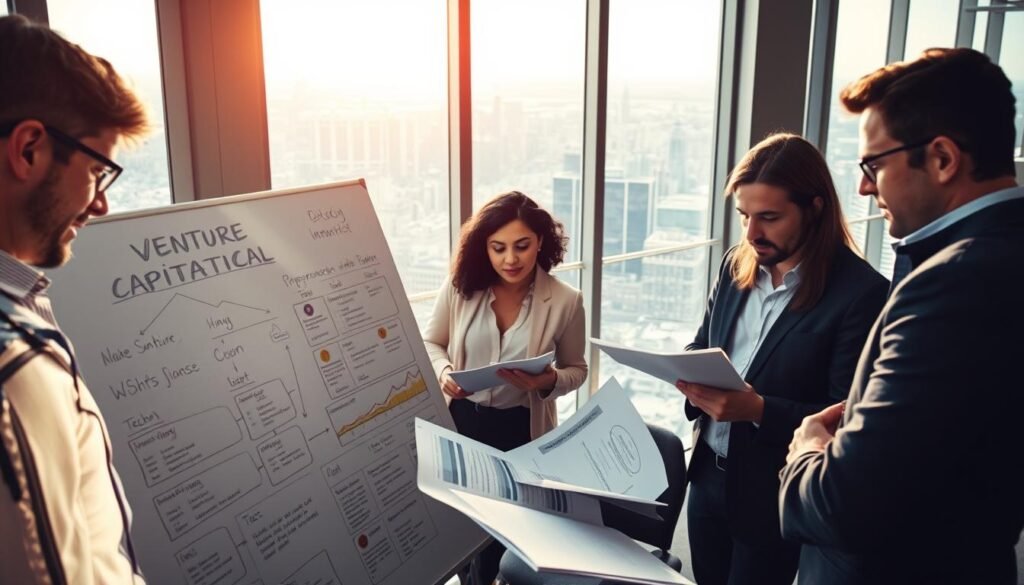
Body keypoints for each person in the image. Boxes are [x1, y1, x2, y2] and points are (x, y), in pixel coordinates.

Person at [779, 48, 1024, 584]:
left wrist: (809, 450)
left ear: (942, 159)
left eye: (874, 165)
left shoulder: (954, 284)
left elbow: (841, 507)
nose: (865, 187)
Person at [677, 133, 888, 585]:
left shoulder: (860, 294)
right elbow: (703, 343)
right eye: (745, 216)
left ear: (814, 208)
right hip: (708, 478)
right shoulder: (736, 264)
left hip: (772, 492)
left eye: (769, 217)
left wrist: (758, 410)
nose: (753, 233)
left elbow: (844, 419)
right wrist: (688, 373)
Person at [0, 14, 148, 584]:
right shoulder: (13, 367)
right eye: (96, 170)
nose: (100, 205)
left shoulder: (22, 304)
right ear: (30, 148)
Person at [423, 190, 587, 584]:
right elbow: (432, 342)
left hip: (519, 431)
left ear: (541, 243)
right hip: (462, 422)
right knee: (462, 533)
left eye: (521, 246)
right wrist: (445, 371)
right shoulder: (461, 288)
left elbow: (576, 369)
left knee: (505, 541)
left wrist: (546, 380)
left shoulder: (566, 301)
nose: (510, 259)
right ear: (485, 248)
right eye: (498, 248)